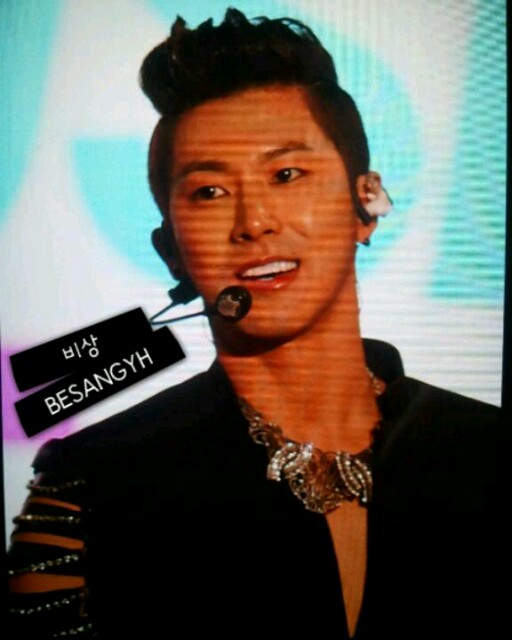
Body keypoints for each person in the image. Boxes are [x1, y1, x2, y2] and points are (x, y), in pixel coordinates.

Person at [7, 9, 501, 639]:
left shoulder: (487, 448)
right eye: (209, 192)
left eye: (287, 175)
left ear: (367, 204)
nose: (254, 222)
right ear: (170, 250)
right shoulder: (90, 485)